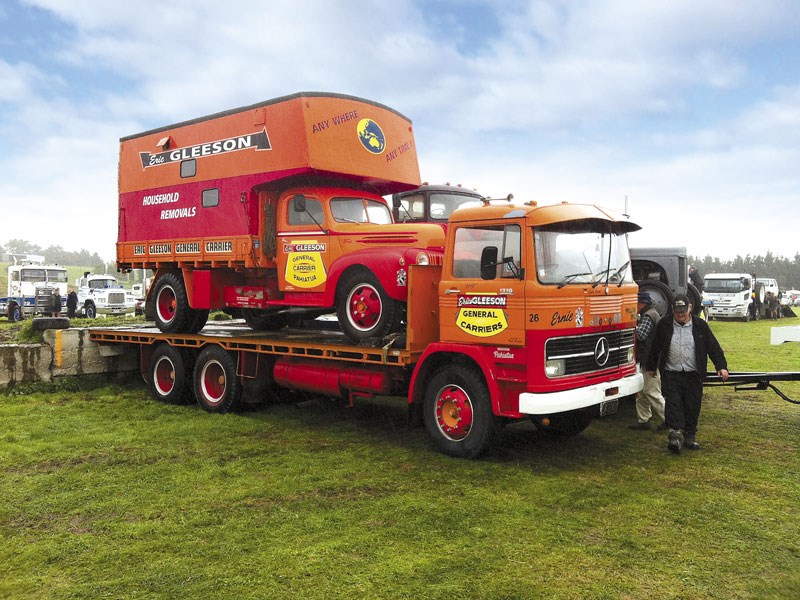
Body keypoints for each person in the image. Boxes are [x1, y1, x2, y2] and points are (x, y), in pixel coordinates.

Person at [645, 293, 729, 454]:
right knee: (673, 404)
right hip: (671, 372)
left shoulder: (700, 326)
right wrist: (651, 366)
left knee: (692, 405)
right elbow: (655, 346)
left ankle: (690, 435)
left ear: (690, 308)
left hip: (693, 374)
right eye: (677, 312)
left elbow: (713, 346)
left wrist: (721, 366)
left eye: (683, 311)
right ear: (672, 310)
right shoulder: (664, 325)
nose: (680, 315)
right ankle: (675, 435)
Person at [628, 291, 666, 430]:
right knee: (642, 392)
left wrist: (629, 327)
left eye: (636, 303)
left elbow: (640, 335)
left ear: (642, 303)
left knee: (652, 393)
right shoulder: (652, 313)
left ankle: (671, 420)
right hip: (647, 360)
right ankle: (643, 420)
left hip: (650, 361)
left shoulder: (648, 316)